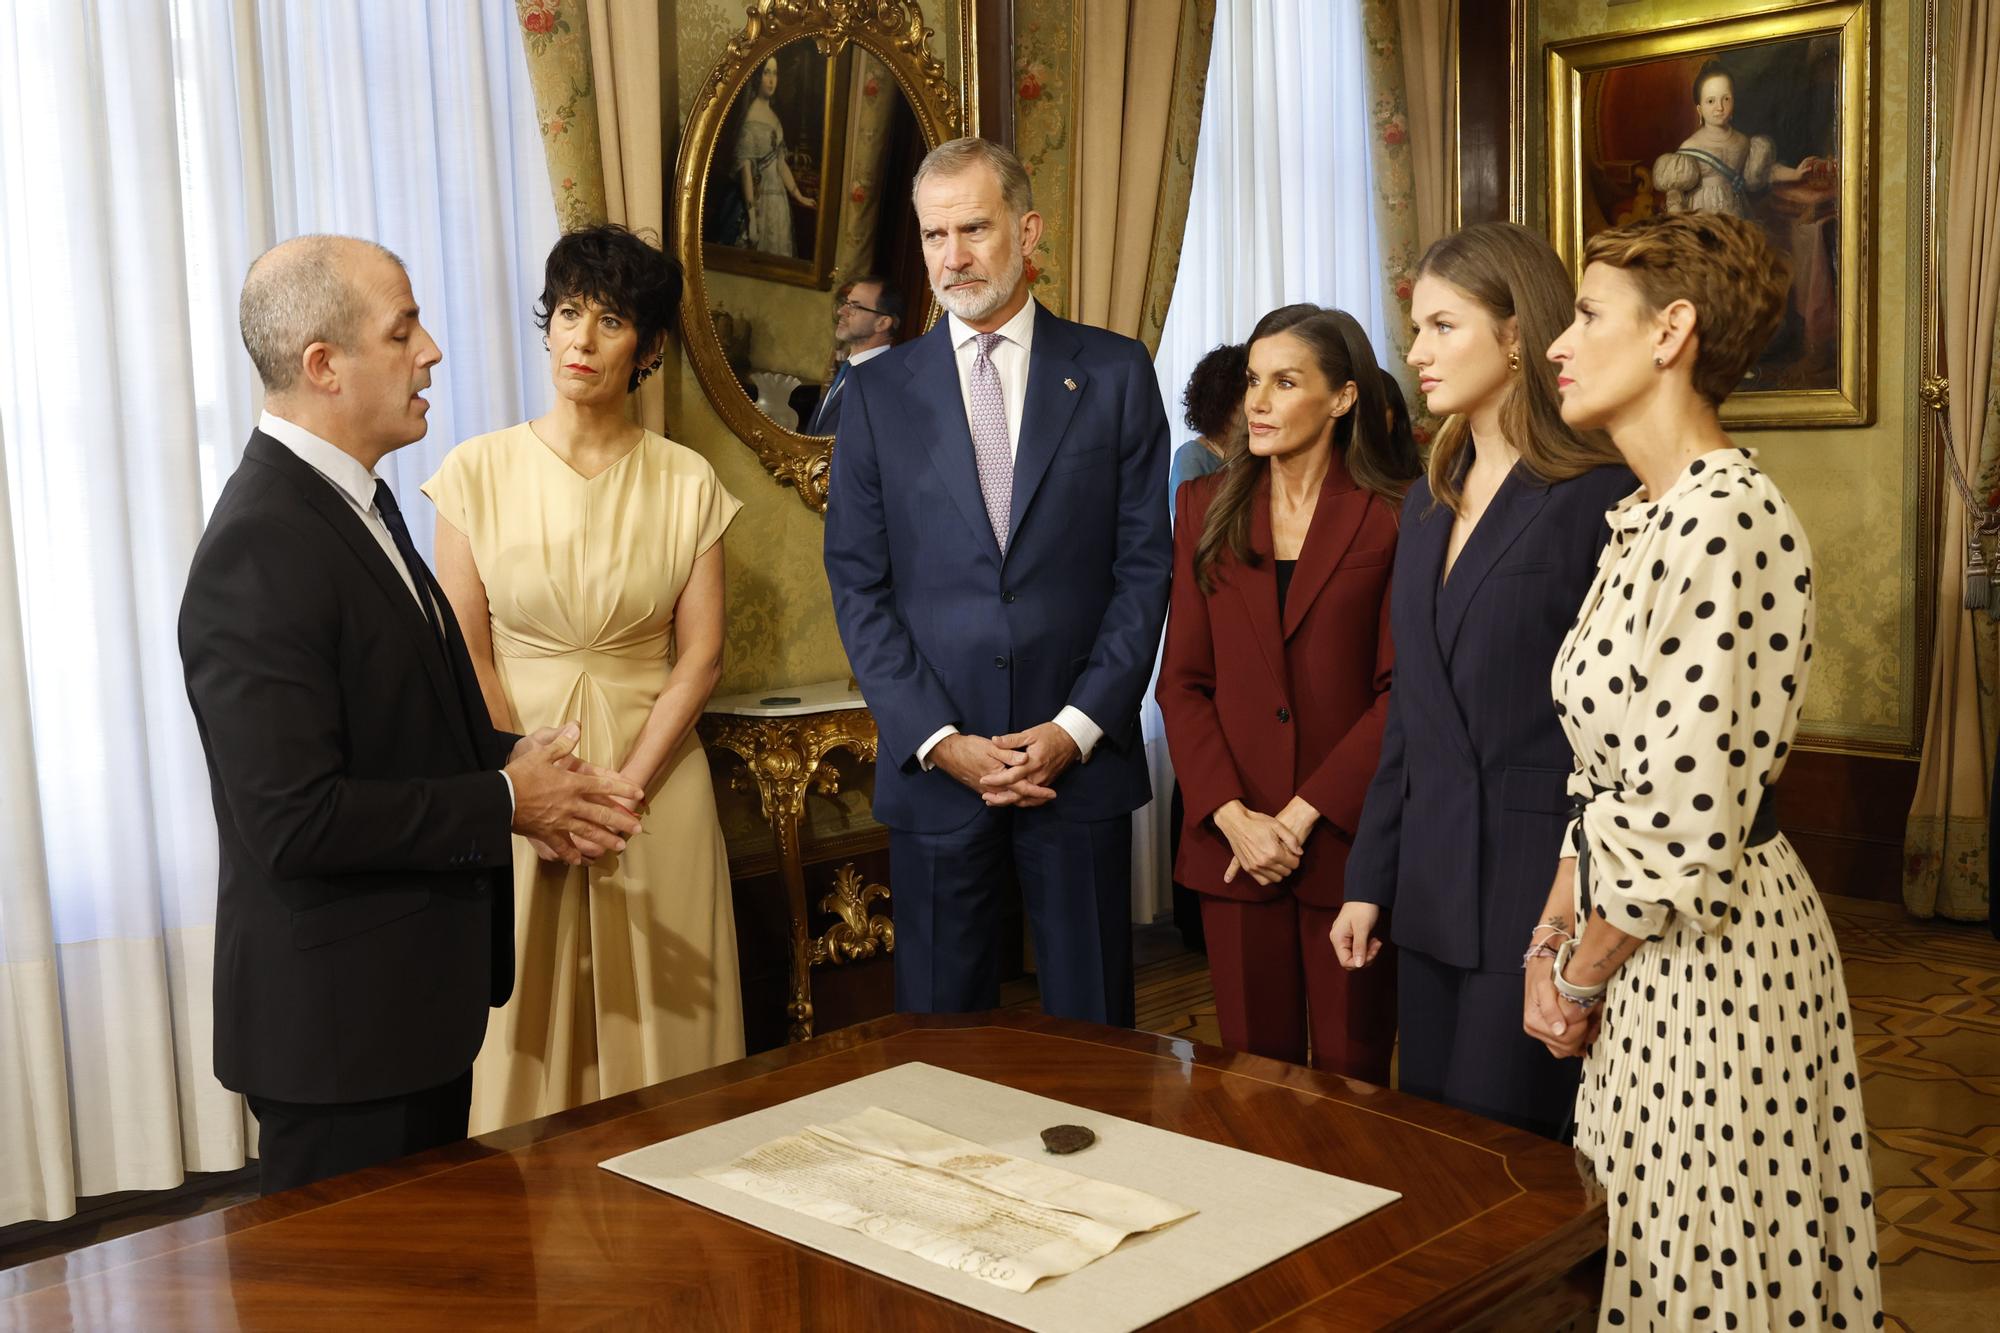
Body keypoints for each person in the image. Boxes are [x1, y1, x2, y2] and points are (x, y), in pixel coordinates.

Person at [179, 235, 645, 1194]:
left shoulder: (358, 503)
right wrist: (505, 800)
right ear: (324, 365)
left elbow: (405, 720)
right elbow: (295, 819)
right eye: (403, 331)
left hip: (407, 1012)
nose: (431, 350)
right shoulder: (259, 546)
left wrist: (526, 768)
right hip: (343, 1036)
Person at [1531, 210, 1880, 1327]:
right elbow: (1602, 782)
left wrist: (1579, 976)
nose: (1557, 343)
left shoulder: (1725, 520)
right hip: (1640, 953)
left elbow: (1681, 821)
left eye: (1587, 315)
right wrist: (1551, 935)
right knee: (1646, 1257)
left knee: (1702, 1274)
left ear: (1670, 329)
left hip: (1710, 960)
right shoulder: (1645, 514)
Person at [823, 137, 1171, 1026]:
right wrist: (940, 740)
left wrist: (1074, 728)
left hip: (1077, 768)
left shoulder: (1115, 372)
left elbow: (1143, 570)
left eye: (973, 228)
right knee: (941, 1048)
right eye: (934, 235)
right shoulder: (876, 394)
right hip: (938, 773)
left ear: (1028, 229)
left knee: (1095, 1046)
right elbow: (858, 585)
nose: (953, 257)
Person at [426, 225, 746, 1135]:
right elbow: (467, 648)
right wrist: (533, 780)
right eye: (569, 313)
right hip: (521, 784)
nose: (582, 338)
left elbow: (701, 657)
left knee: (671, 1038)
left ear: (646, 348)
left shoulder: (688, 481)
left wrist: (623, 792)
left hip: (655, 780)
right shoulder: (475, 470)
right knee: (523, 1020)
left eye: (611, 320)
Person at [1330, 222, 1633, 1137]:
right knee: (1432, 1147)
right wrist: (1369, 878)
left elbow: (1621, 734)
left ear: (1515, 334)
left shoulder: (1597, 494)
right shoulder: (1426, 503)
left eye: (1442, 326)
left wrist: (1579, 924)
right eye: (1415, 329)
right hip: (1428, 888)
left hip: (1540, 894)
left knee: (1512, 1156)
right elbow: (1411, 714)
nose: (1416, 353)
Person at [1157, 303, 1418, 1078]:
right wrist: (1233, 816)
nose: (1258, 403)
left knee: (1353, 1080)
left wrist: (1301, 815)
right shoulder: (1203, 507)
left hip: (1348, 845)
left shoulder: (1396, 513)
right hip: (1232, 848)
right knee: (1249, 1085)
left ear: (1342, 397)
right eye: (1252, 382)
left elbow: (1401, 691)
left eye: (1285, 382)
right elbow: (1182, 682)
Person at [1653, 64, 1827, 219]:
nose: (1719, 107)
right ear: (1699, 109)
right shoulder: (1690, 147)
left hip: (1737, 217)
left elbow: (1766, 172)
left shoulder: (1743, 142)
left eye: (1726, 99)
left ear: (1733, 101)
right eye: (1711, 101)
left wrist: (1795, 174)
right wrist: (1680, 224)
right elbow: (1675, 193)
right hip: (1702, 219)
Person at [733, 56, 816, 257]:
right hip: (760, 202)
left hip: (779, 202)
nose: (772, 80)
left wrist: (799, 196)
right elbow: (746, 171)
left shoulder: (774, 118)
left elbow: (781, 164)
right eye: (766, 73)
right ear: (757, 77)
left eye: (775, 73)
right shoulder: (751, 118)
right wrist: (752, 219)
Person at [808, 276, 903, 435]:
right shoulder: (847, 368)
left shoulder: (886, 383)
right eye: (846, 303)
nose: (841, 311)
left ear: (882, 323)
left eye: (855, 307)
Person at [1168, 342, 1247, 523]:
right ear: (1224, 402)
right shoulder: (1191, 457)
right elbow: (1190, 525)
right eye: (1246, 396)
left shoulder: (1257, 454)